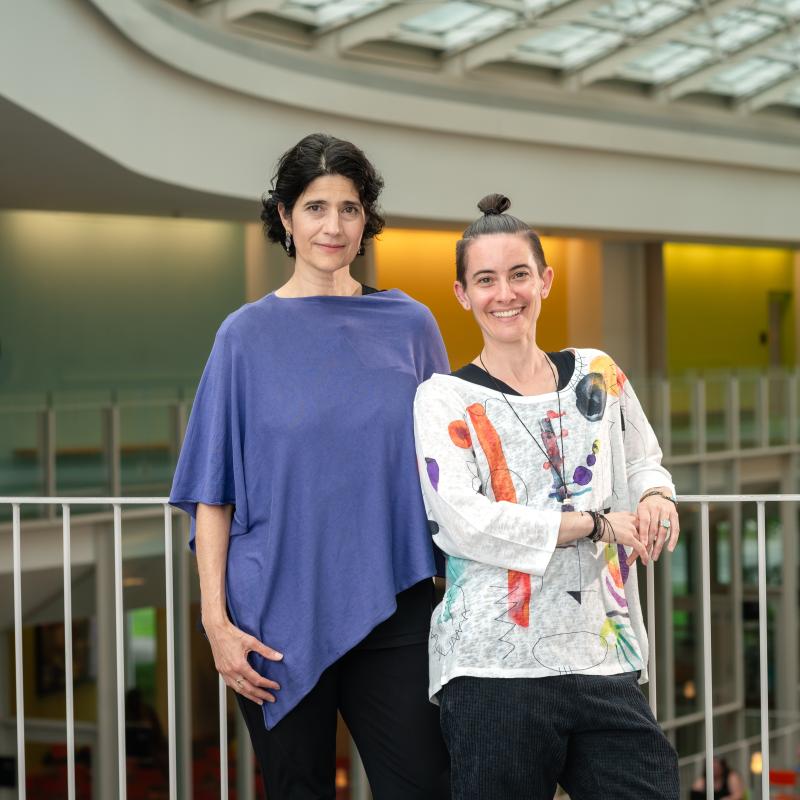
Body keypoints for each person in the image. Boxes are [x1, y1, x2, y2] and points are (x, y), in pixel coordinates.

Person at [170, 133, 450, 799]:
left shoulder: (411, 324)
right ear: (286, 217)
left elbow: (452, 466)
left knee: (425, 787)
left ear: (366, 219)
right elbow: (213, 492)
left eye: (349, 208)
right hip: (275, 616)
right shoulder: (243, 336)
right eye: (315, 207)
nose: (333, 226)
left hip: (397, 599)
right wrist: (216, 624)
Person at [412, 193, 681, 800]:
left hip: (602, 652)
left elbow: (644, 459)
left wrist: (656, 497)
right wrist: (593, 524)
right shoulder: (443, 397)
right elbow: (461, 521)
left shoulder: (597, 372)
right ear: (462, 294)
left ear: (545, 281)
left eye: (518, 274)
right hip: (492, 667)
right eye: (485, 280)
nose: (504, 293)